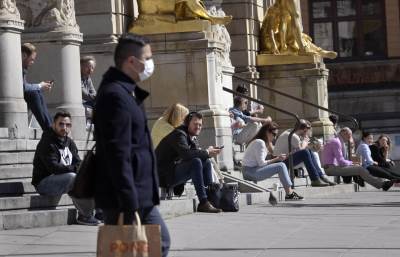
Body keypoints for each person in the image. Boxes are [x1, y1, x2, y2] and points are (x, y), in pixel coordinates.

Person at [93, 34, 170, 257]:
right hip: (128, 194)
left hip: (134, 191)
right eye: (147, 57)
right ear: (131, 61)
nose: (150, 63)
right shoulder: (116, 95)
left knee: (141, 248)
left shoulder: (124, 91)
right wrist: (129, 201)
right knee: (159, 243)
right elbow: (118, 152)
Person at [31, 111, 99, 225]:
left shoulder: (69, 142)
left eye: (67, 125)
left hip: (62, 179)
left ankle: (99, 211)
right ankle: (84, 216)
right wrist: (75, 169)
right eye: (61, 124)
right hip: (44, 183)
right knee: (73, 178)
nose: (64, 128)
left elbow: (78, 162)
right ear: (54, 125)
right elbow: (54, 168)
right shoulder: (47, 142)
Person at [155, 111, 223, 213]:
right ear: (187, 124)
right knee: (195, 162)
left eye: (200, 125)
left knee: (206, 161)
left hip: (173, 171)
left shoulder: (191, 137)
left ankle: (211, 198)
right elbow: (186, 155)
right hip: (164, 175)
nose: (198, 127)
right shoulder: (179, 134)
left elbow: (197, 153)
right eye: (195, 124)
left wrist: (207, 153)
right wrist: (207, 152)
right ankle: (203, 202)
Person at [242, 122, 304, 201]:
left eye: (276, 135)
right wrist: (277, 159)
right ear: (267, 132)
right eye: (274, 134)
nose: (275, 138)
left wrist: (283, 156)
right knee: (280, 166)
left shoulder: (262, 142)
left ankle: (290, 193)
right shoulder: (260, 143)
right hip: (250, 172)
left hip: (251, 170)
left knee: (281, 165)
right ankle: (289, 193)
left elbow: (270, 157)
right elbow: (262, 163)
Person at [322, 127, 394, 191]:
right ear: (344, 133)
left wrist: (352, 163)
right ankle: (382, 184)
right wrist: (352, 163)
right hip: (331, 168)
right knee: (359, 169)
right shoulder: (336, 142)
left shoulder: (336, 141)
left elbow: (341, 161)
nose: (349, 138)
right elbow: (341, 161)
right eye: (349, 136)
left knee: (358, 167)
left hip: (332, 167)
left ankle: (375, 182)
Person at [274, 120, 335, 186]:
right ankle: (315, 179)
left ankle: (320, 176)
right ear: (305, 130)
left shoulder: (291, 132)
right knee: (306, 152)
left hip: (285, 159)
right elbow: (301, 150)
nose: (307, 133)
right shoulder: (293, 136)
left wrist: (309, 145)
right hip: (280, 162)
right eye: (307, 131)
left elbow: (298, 150)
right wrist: (305, 142)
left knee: (310, 152)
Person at [21, 43, 53, 131]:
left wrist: (40, 87)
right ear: (24, 55)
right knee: (34, 93)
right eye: (31, 59)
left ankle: (50, 126)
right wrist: (39, 86)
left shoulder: (23, 67)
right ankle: (48, 128)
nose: (32, 62)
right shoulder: (17, 67)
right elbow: (22, 88)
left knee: (37, 92)